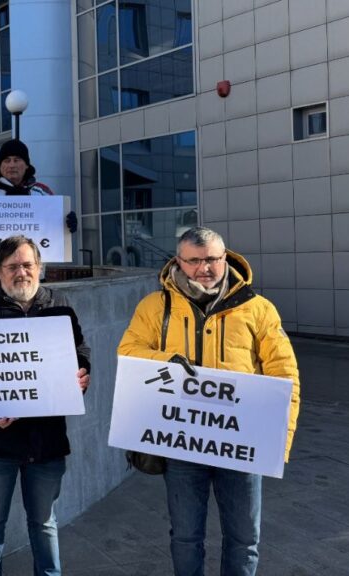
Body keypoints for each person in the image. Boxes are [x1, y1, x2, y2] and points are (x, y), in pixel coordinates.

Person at [117, 226, 300, 576]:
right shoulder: (155, 306)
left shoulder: (258, 309)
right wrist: (167, 362)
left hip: (242, 443)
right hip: (183, 443)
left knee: (244, 538)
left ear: (225, 258)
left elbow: (284, 374)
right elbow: (128, 351)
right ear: (178, 261)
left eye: (212, 259)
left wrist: (281, 440)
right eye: (194, 260)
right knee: (186, 536)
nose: (204, 268)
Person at [0, 235, 91, 576]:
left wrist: (81, 374)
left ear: (40, 267)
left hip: (46, 442)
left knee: (44, 522)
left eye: (28, 265)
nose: (22, 272)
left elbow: (79, 351)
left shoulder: (59, 304)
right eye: (13, 266)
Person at [0, 138, 78, 234]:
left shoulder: (42, 192)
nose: (11, 165)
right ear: (0, 166)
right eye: (7, 160)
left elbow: (54, 229)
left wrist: (65, 222)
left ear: (26, 165)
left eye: (17, 160)